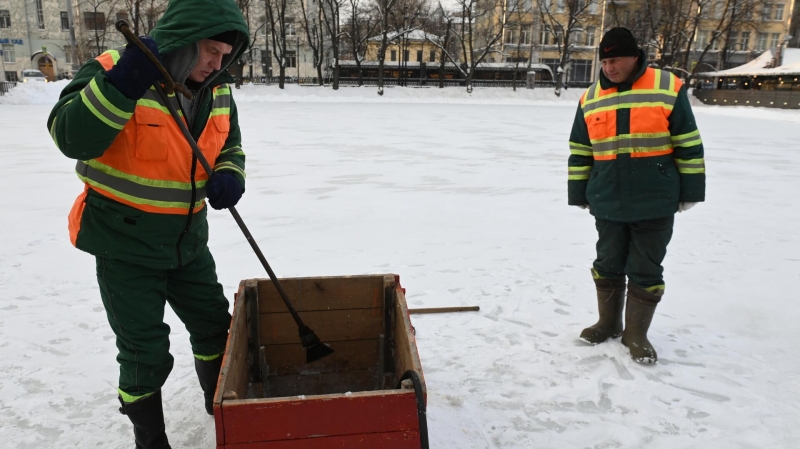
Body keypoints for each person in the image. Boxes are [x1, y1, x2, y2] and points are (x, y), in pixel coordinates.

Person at [46, 0, 249, 446]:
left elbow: (229, 142)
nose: (219, 63)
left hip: (189, 243)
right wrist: (122, 86)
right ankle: (150, 439)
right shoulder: (118, 66)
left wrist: (231, 174)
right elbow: (69, 134)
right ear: (185, 39)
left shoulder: (217, 87)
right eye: (211, 51)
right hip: (125, 247)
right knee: (144, 352)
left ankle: (217, 407)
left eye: (225, 55)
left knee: (217, 328)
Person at [567, 28, 705, 365]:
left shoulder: (666, 86)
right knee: (608, 262)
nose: (610, 67)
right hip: (608, 198)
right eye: (605, 61)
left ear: (634, 56)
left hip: (654, 198)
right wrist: (580, 191)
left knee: (646, 267)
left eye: (616, 60)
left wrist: (691, 191)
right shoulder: (590, 97)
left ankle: (636, 334)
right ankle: (608, 323)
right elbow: (580, 150)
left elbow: (688, 142)